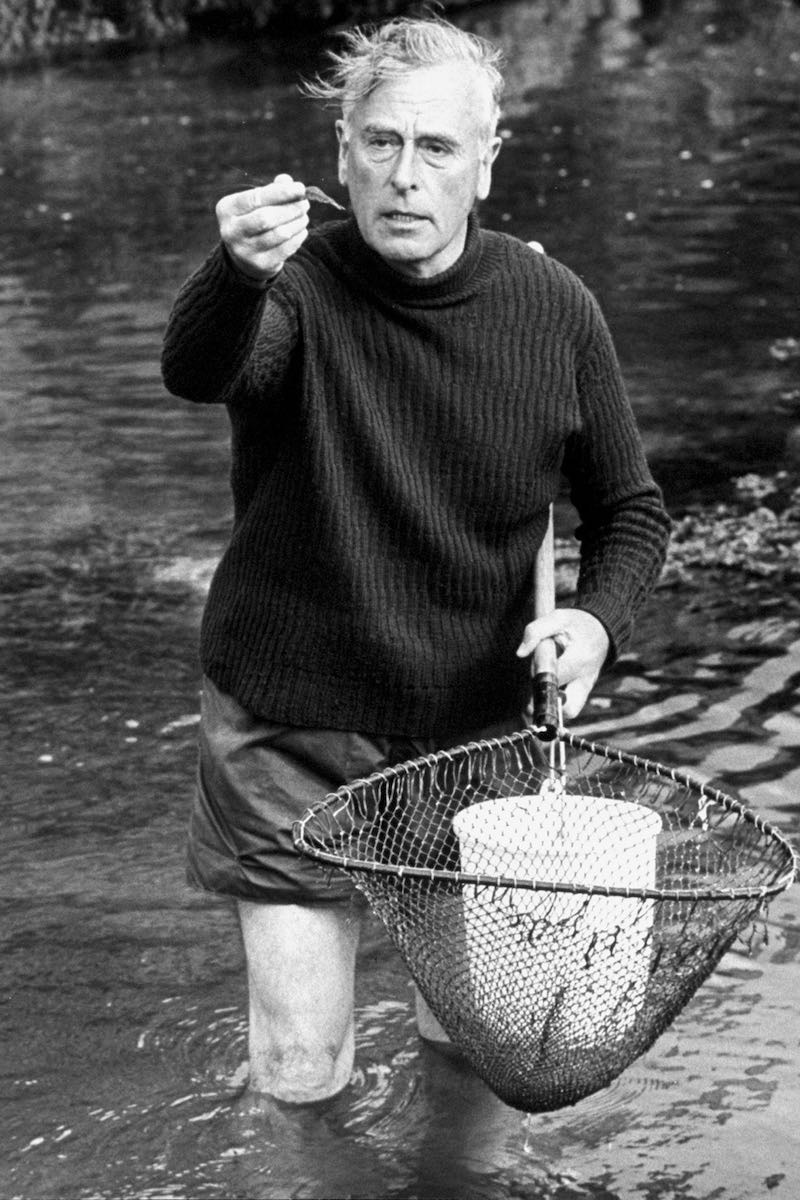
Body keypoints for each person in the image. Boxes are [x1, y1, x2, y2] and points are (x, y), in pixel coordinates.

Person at [161, 16, 671, 1105]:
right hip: (287, 723)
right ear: (341, 153)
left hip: (471, 737)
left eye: (436, 148)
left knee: (473, 1054)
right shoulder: (291, 286)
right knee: (302, 1071)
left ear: (485, 161)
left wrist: (593, 623)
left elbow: (628, 510)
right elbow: (200, 371)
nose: (404, 175)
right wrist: (233, 271)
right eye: (379, 143)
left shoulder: (553, 310)